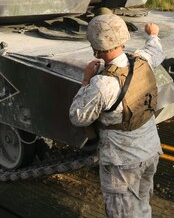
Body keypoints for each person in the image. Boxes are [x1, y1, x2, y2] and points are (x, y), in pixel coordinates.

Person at [69, 13, 164, 218]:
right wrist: (152, 34)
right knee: (142, 205)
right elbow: (155, 50)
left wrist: (86, 81)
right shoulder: (142, 60)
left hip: (123, 162)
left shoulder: (103, 84)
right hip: (150, 151)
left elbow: (78, 116)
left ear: (96, 48)